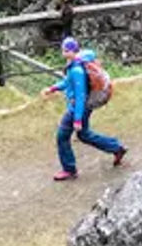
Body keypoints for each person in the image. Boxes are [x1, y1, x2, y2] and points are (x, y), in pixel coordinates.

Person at [50, 36, 126, 181]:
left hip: (77, 108)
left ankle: (69, 169)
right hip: (84, 106)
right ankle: (116, 147)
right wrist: (54, 88)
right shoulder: (77, 64)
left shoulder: (77, 70)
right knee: (84, 135)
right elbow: (68, 82)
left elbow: (80, 96)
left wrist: (77, 119)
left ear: (73, 51)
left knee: (62, 136)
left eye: (66, 51)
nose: (63, 53)